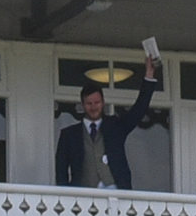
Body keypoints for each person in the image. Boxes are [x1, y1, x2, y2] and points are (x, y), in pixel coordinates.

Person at [54, 54, 159, 189]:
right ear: (82, 105)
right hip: (83, 197)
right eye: (89, 103)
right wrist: (67, 199)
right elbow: (61, 172)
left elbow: (139, 110)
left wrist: (149, 75)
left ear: (103, 103)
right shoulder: (68, 135)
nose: (93, 107)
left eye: (97, 102)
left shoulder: (116, 127)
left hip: (115, 193)